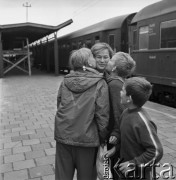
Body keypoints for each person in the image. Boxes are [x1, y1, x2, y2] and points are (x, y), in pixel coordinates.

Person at [54, 47, 109, 180]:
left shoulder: (65, 82)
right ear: (89, 63)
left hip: (63, 137)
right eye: (92, 56)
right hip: (87, 140)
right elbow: (102, 115)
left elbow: (59, 105)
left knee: (62, 176)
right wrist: (103, 138)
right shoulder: (100, 83)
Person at [106, 77, 163, 180]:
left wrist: (133, 164)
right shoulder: (125, 113)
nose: (120, 92)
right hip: (126, 172)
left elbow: (156, 151)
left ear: (129, 98)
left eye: (123, 90)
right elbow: (126, 137)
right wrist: (115, 148)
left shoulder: (142, 123)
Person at [105, 52, 136, 179]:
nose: (108, 61)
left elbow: (119, 112)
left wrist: (116, 133)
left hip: (115, 136)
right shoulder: (118, 82)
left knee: (116, 168)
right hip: (118, 135)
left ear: (114, 68)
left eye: (111, 59)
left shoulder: (114, 85)